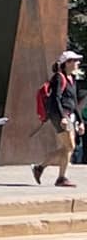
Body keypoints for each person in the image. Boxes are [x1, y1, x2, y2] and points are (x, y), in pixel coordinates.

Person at [32, 49, 80, 188]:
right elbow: (55, 98)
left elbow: (74, 101)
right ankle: (42, 168)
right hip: (61, 115)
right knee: (70, 146)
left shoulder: (72, 79)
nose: (77, 63)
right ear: (67, 63)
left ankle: (59, 176)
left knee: (68, 147)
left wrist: (80, 121)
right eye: (74, 60)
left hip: (69, 115)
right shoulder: (59, 77)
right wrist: (62, 117)